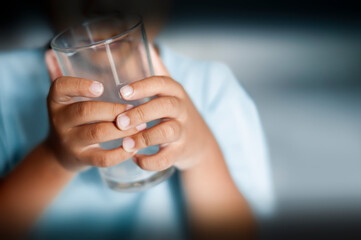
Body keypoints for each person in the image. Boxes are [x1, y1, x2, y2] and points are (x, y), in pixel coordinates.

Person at [0, 1, 274, 239]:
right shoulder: (6, 85)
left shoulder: (211, 87)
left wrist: (202, 153)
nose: (103, 4)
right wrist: (55, 159)